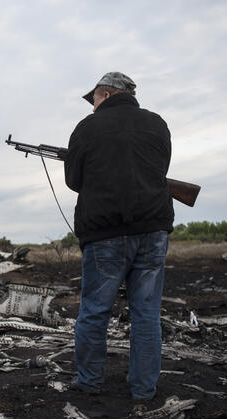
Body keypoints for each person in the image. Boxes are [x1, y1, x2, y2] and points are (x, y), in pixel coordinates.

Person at [64, 72, 174, 400]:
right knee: (146, 314)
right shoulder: (157, 123)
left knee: (95, 311)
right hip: (153, 230)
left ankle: (90, 382)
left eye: (94, 98)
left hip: (105, 233)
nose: (93, 105)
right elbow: (161, 167)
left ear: (107, 94)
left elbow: (73, 180)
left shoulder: (87, 127)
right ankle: (143, 389)